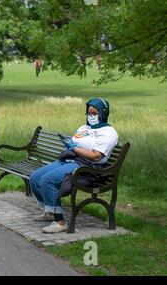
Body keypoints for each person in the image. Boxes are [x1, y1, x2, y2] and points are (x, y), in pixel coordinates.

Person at [29, 98, 118, 233]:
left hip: (87, 167)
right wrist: (71, 146)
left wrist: (75, 149)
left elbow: (96, 156)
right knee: (35, 177)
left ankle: (60, 222)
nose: (91, 116)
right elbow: (74, 142)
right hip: (71, 160)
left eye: (94, 113)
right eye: (89, 113)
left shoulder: (108, 132)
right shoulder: (84, 127)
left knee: (47, 180)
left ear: (103, 114)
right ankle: (50, 212)